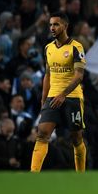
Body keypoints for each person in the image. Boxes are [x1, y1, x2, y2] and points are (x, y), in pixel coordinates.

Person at [30, 13, 88, 172]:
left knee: (76, 139)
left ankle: (80, 174)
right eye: (50, 25)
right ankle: (33, 174)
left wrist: (63, 94)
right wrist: (43, 100)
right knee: (42, 134)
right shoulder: (48, 48)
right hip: (52, 97)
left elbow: (79, 76)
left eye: (56, 24)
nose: (52, 28)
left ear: (65, 26)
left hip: (72, 97)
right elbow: (47, 75)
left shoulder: (76, 47)